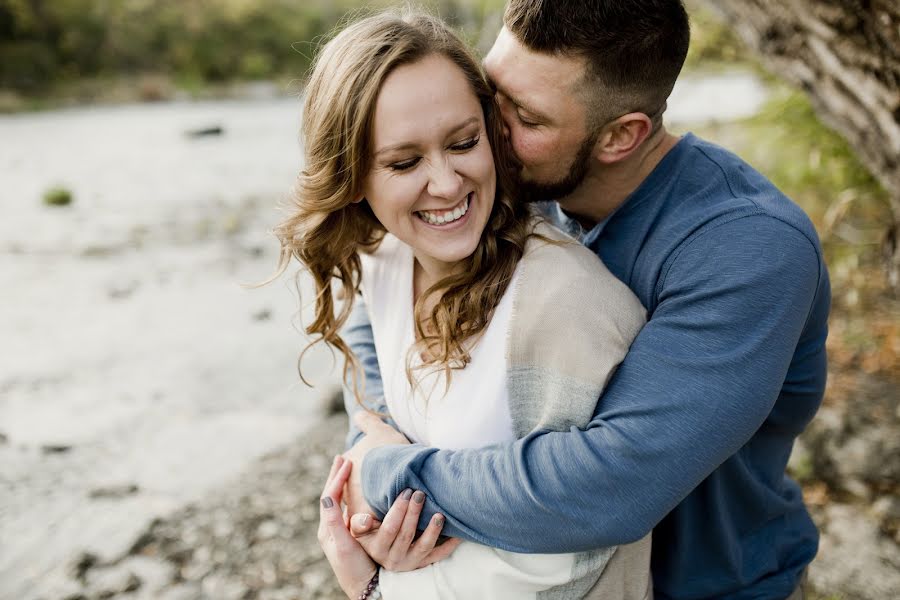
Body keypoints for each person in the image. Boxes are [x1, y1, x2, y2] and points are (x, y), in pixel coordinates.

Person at [340, 1, 832, 599]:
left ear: (621, 137)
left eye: (524, 115)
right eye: (490, 90)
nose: (486, 129)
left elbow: (609, 484)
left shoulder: (749, 249)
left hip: (714, 586)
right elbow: (384, 292)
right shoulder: (512, 183)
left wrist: (390, 476)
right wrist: (376, 462)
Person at [275, 9, 653, 600]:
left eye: (463, 142)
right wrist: (370, 517)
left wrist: (376, 588)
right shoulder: (384, 256)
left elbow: (571, 549)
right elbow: (376, 416)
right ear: (352, 178)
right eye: (404, 163)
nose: (448, 184)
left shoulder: (565, 305)